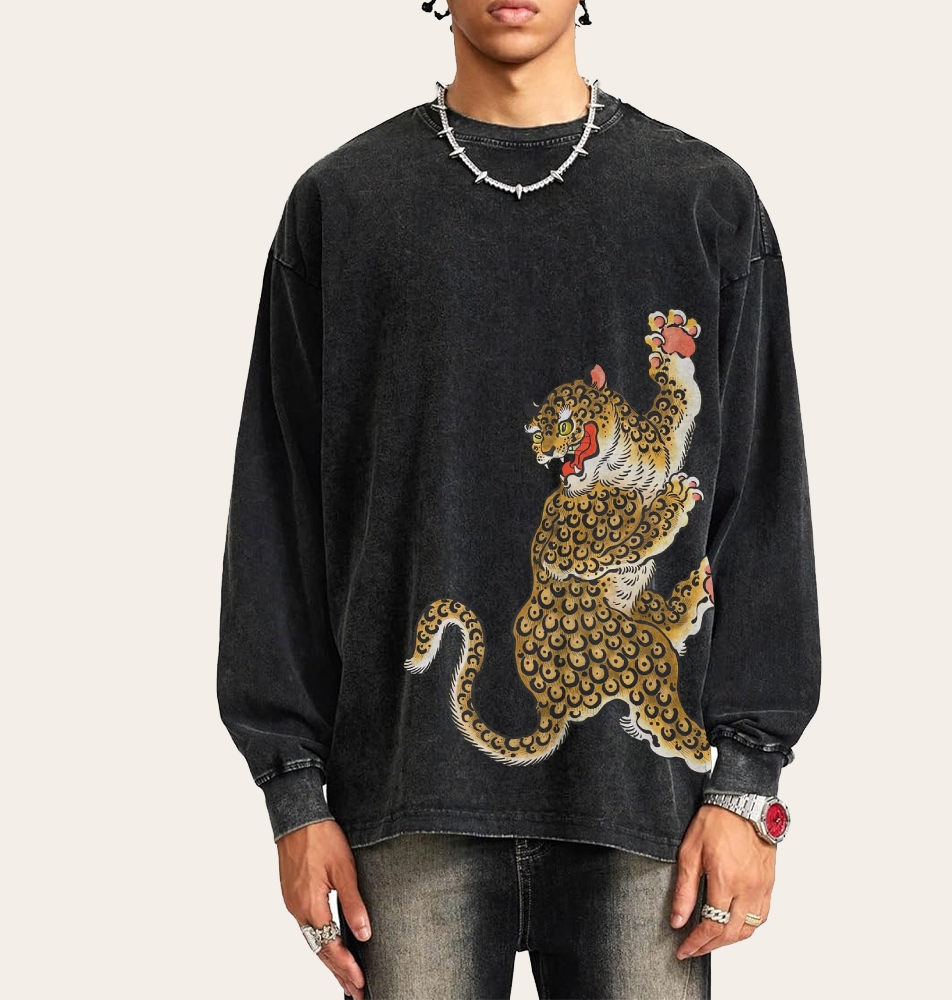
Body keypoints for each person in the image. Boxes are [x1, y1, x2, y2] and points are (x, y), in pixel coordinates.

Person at [215, 2, 822, 997]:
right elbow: (277, 511)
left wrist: (750, 787)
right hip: (406, 805)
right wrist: (292, 794)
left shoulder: (701, 199)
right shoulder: (344, 203)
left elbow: (762, 503)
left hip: (648, 814)